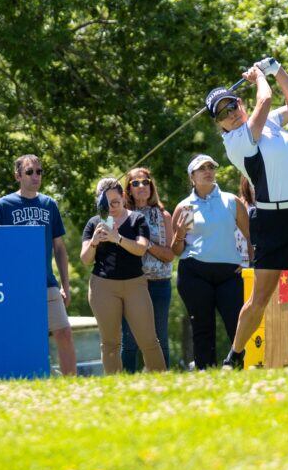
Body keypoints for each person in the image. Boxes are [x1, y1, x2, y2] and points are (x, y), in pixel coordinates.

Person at [208, 58, 288, 368]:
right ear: (219, 124)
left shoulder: (268, 123)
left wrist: (276, 69)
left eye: (231, 105)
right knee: (260, 299)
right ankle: (235, 354)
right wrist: (260, 76)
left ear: (240, 103)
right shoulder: (237, 141)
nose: (230, 114)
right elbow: (266, 98)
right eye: (222, 113)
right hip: (273, 221)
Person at [0, 154, 77, 376]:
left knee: (64, 333)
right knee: (20, 338)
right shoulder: (3, 206)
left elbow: (59, 248)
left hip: (47, 283)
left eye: (39, 171)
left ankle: (72, 384)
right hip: (15, 286)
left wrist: (65, 285)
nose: (35, 176)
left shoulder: (49, 204)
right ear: (18, 175)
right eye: (29, 172)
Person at [170, 155, 250, 369]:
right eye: (202, 168)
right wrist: (179, 234)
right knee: (202, 327)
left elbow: (250, 238)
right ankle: (206, 371)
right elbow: (177, 250)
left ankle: (239, 366)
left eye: (211, 167)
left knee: (237, 323)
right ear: (192, 177)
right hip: (194, 273)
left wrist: (251, 267)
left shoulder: (231, 201)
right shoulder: (186, 207)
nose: (208, 171)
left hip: (230, 274)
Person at [81, 178, 166, 374]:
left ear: (124, 198)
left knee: (148, 340)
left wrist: (117, 238)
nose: (112, 208)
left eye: (116, 202)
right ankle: (115, 384)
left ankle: (161, 380)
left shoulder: (137, 219)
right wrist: (94, 242)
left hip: (135, 285)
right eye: (106, 204)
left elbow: (141, 248)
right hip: (103, 286)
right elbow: (85, 259)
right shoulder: (94, 223)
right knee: (110, 343)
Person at [120, 167, 174, 372]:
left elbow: (169, 255)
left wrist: (145, 244)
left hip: (159, 283)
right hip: (130, 283)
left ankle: (163, 380)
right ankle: (126, 381)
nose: (141, 186)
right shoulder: (120, 215)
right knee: (129, 340)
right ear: (128, 190)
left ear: (152, 187)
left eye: (146, 182)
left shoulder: (163, 215)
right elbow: (105, 232)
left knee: (160, 337)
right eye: (135, 183)